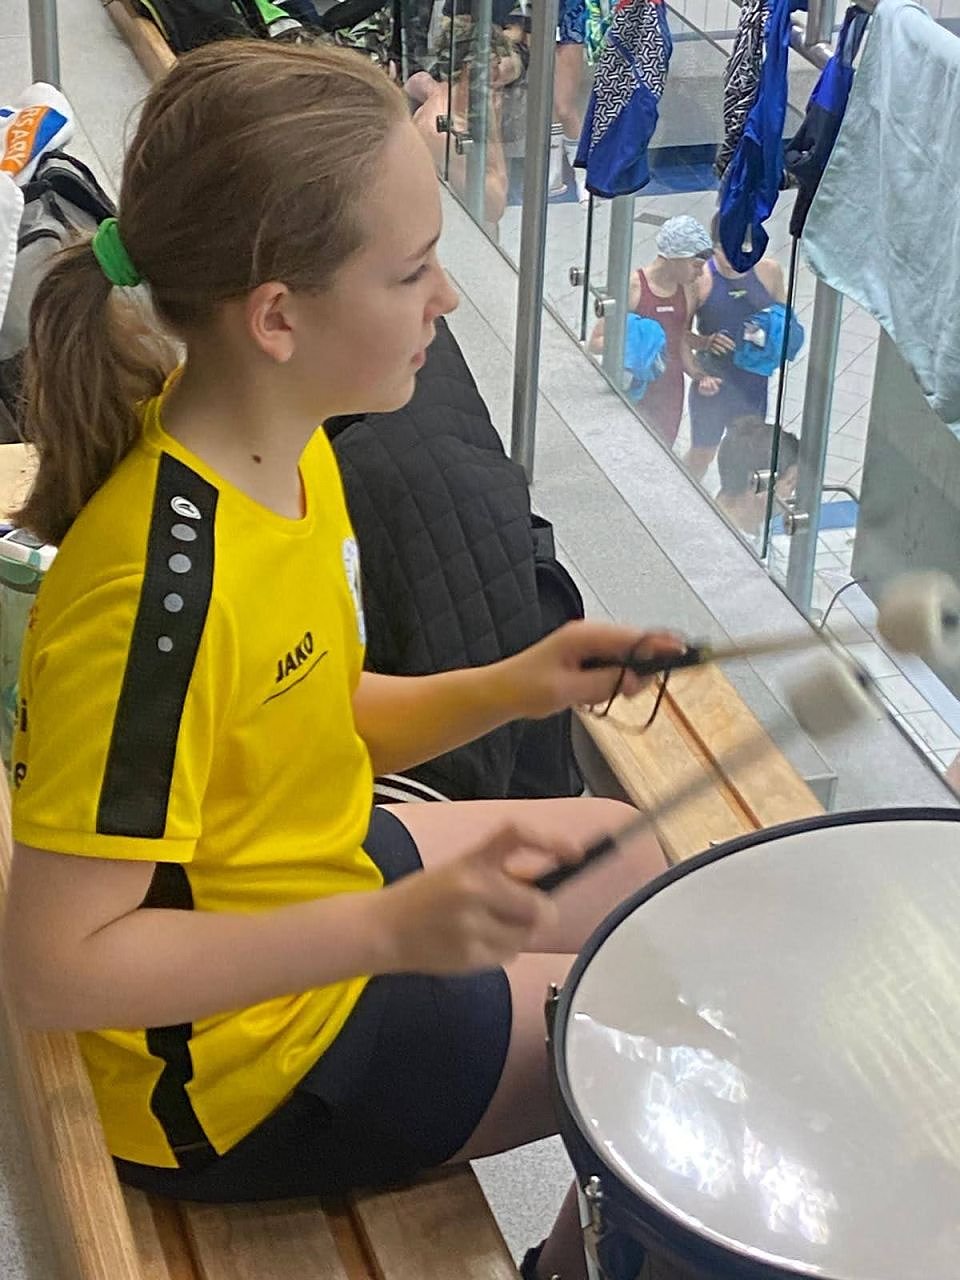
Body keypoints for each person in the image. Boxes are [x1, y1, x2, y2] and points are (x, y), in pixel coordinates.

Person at [0, 42, 681, 1280]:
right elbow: (51, 969)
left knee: (640, 865)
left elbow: (308, 707)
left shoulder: (289, 449)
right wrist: (385, 928)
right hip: (235, 1069)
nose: (447, 299)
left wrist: (521, 681)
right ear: (278, 316)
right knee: (646, 1036)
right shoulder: (153, 600)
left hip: (308, 875)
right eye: (412, 270)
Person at [590, 215, 719, 448]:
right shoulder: (631, 287)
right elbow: (596, 342)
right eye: (696, 266)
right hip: (631, 389)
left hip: (670, 391)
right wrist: (635, 346)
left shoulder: (688, 290)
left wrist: (700, 375)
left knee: (662, 455)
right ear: (674, 257)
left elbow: (680, 339)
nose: (700, 274)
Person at [684, 218, 786, 482]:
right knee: (702, 453)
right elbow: (678, 334)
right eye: (724, 249)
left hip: (753, 384)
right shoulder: (700, 278)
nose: (732, 259)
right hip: (714, 381)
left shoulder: (769, 272)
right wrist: (704, 349)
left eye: (741, 250)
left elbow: (785, 323)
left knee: (747, 460)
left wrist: (772, 342)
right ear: (713, 246)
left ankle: (733, 506)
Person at [715, 415, 800, 539]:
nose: (790, 495)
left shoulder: (709, 511)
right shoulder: (732, 544)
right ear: (757, 483)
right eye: (790, 483)